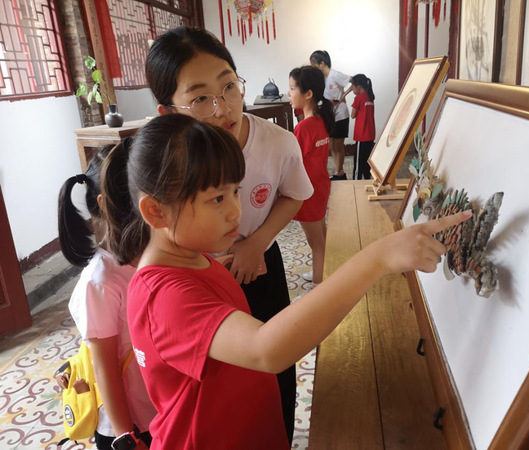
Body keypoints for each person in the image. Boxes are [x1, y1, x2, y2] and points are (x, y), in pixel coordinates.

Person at [100, 113, 471, 449]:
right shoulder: (164, 297)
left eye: (235, 192)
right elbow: (267, 349)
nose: (235, 211)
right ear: (156, 212)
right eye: (216, 199)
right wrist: (378, 258)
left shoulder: (192, 259)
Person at [145, 26, 312, 443]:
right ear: (168, 111)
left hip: (258, 265)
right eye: (200, 98)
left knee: (277, 376)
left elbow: (295, 194)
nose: (222, 108)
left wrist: (257, 242)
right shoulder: (163, 160)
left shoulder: (278, 143)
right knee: (218, 383)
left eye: (229, 87)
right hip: (198, 278)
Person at [57, 143, 155, 450]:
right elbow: (105, 369)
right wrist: (127, 436)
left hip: (158, 411)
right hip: (129, 426)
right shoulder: (101, 281)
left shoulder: (149, 254)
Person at [287, 66, 335, 287]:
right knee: (320, 237)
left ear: (308, 94)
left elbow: (292, 164)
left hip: (308, 192)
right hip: (319, 188)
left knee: (316, 242)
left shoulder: (304, 128)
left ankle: (318, 287)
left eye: (292, 88)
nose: (289, 94)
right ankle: (320, 271)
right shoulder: (319, 120)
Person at [310, 50, 352, 180]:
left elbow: (354, 80)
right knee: (331, 145)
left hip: (341, 114)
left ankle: (339, 172)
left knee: (339, 145)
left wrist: (343, 96)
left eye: (314, 65)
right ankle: (338, 171)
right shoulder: (321, 79)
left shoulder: (335, 75)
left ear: (322, 64)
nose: (313, 68)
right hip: (329, 115)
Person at [350, 74, 376, 180]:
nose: (352, 89)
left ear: (358, 86)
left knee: (358, 163)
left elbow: (353, 115)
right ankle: (367, 180)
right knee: (366, 162)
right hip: (370, 134)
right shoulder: (370, 97)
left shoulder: (359, 98)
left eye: (352, 86)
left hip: (361, 135)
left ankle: (356, 183)